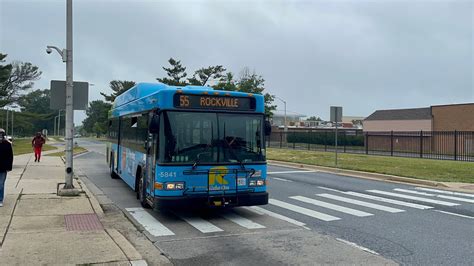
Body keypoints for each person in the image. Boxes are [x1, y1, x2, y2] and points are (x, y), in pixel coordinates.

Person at [0, 128, 13, 207]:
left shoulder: (7, 144)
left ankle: (0, 199)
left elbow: (10, 157)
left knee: (1, 184)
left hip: (3, 167)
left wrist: (9, 167)